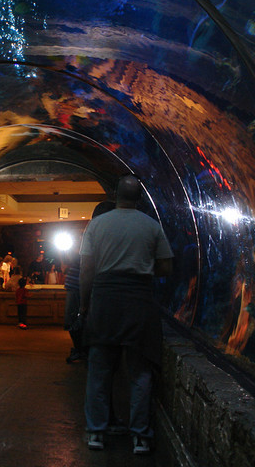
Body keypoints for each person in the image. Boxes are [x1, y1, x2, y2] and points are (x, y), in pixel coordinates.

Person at [78, 176, 173, 453]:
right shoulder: (151, 226)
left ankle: (96, 432)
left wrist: (85, 306)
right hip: (139, 301)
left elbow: (86, 270)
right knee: (140, 371)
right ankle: (140, 436)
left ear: (115, 195)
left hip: (105, 300)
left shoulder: (97, 225)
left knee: (99, 370)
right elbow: (166, 268)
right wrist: (141, 269)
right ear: (140, 197)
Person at [65, 201, 114, 364]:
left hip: (82, 283)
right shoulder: (96, 232)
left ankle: (83, 350)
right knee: (75, 320)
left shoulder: (92, 231)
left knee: (77, 319)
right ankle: (82, 350)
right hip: (81, 282)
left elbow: (84, 265)